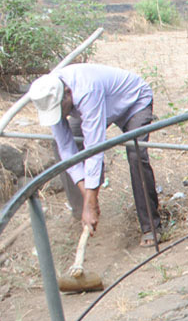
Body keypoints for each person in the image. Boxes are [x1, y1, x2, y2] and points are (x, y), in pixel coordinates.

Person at [28, 64, 161, 246]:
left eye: (60, 109)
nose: (58, 115)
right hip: (102, 105)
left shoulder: (86, 89)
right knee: (61, 146)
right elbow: (66, 148)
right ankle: (81, 213)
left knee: (135, 153)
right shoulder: (50, 95)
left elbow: (95, 149)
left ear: (67, 93)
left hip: (133, 101)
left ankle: (150, 227)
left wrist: (92, 200)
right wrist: (88, 199)